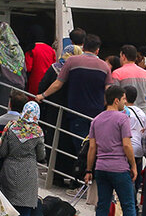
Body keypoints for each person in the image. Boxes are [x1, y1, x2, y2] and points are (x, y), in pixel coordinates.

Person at [37, 34, 112, 186]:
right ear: (97, 50)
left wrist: (42, 95)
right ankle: (89, 180)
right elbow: (108, 91)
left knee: (77, 147)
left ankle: (78, 181)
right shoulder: (104, 66)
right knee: (92, 146)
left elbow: (58, 84)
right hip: (96, 114)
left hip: (75, 112)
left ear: (83, 47)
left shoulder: (71, 61)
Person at [83, 85, 144, 216]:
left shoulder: (96, 120)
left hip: (101, 167)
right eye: (124, 99)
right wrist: (133, 165)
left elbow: (92, 148)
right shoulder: (122, 119)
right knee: (129, 206)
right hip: (119, 168)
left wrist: (89, 169)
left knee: (102, 206)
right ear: (116, 100)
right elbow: (126, 145)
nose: (125, 102)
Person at [0, 101, 46, 216]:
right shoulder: (37, 131)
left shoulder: (10, 127)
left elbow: (3, 151)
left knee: (9, 209)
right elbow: (41, 155)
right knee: (24, 210)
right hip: (28, 171)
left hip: (9, 169)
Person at [36, 44, 81, 159]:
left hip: (54, 110)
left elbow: (42, 86)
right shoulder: (79, 70)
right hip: (73, 111)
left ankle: (55, 172)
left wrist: (43, 96)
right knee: (69, 140)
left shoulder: (54, 68)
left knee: (54, 138)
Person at [111, 44, 146, 110]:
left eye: (120, 56)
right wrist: (145, 104)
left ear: (123, 56)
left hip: (124, 112)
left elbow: (114, 96)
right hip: (141, 113)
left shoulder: (117, 73)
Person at [24, 26, 56, 95]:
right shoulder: (50, 49)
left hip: (35, 82)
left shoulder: (31, 49)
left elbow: (28, 67)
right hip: (48, 82)